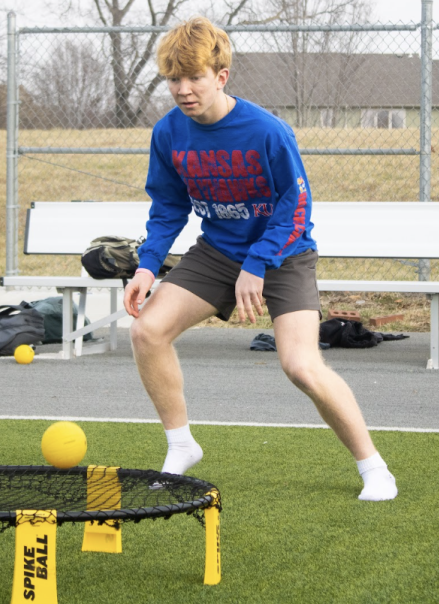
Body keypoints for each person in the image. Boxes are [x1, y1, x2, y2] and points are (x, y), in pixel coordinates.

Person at [123, 18, 397, 501]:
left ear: (221, 75)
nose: (183, 90)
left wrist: (258, 264)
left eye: (195, 78)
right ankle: (181, 445)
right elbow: (168, 207)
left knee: (301, 367)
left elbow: (297, 207)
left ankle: (374, 467)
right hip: (217, 252)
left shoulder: (268, 131)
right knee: (147, 330)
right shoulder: (168, 134)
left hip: (284, 254)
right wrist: (147, 266)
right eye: (173, 80)